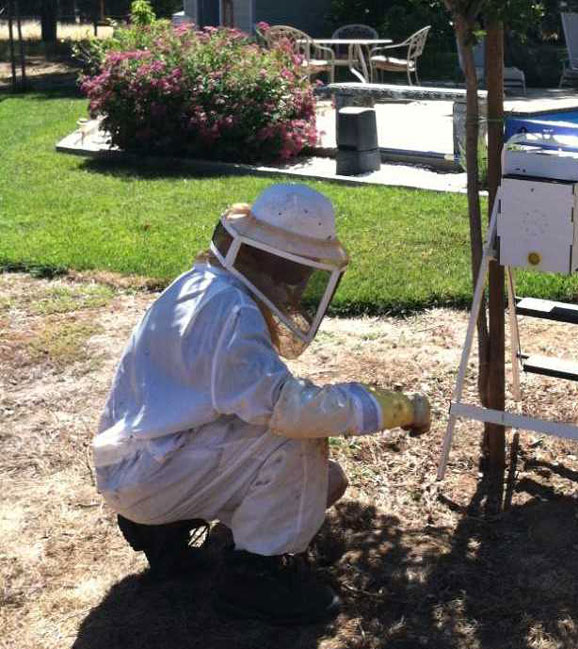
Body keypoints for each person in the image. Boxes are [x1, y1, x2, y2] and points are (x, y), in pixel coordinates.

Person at [93, 183, 431, 626]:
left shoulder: (201, 284)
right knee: (297, 443)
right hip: (150, 474)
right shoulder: (231, 311)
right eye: (303, 265)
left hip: (135, 465)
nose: (303, 280)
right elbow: (289, 411)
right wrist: (391, 407)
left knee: (324, 483)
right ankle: (255, 578)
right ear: (278, 258)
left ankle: (160, 531)